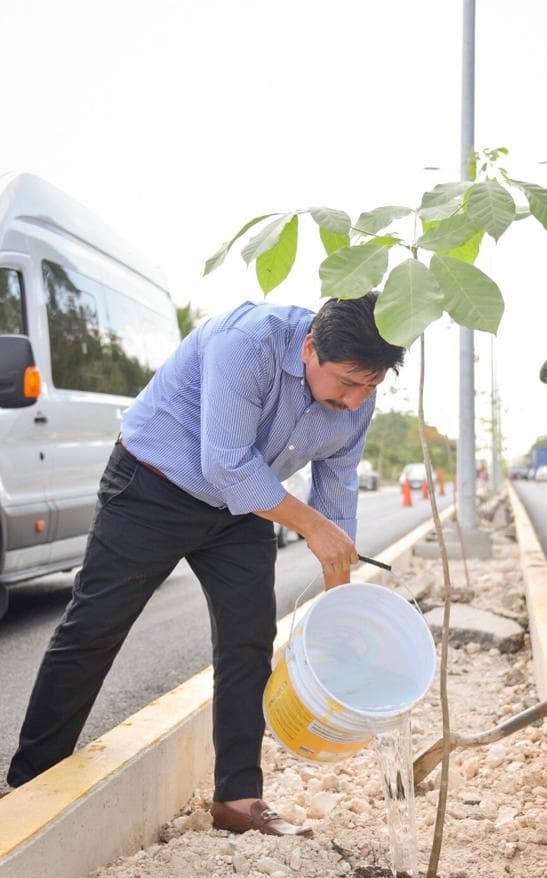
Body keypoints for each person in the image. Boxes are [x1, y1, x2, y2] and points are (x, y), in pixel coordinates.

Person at [7, 293, 404, 837]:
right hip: (155, 483)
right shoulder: (248, 342)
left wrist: (338, 611)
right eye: (347, 383)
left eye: (371, 386)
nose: (356, 400)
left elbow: (336, 491)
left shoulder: (357, 398)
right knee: (96, 626)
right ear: (310, 347)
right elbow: (227, 464)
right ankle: (32, 781)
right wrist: (310, 525)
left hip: (241, 507)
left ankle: (238, 801)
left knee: (249, 639)